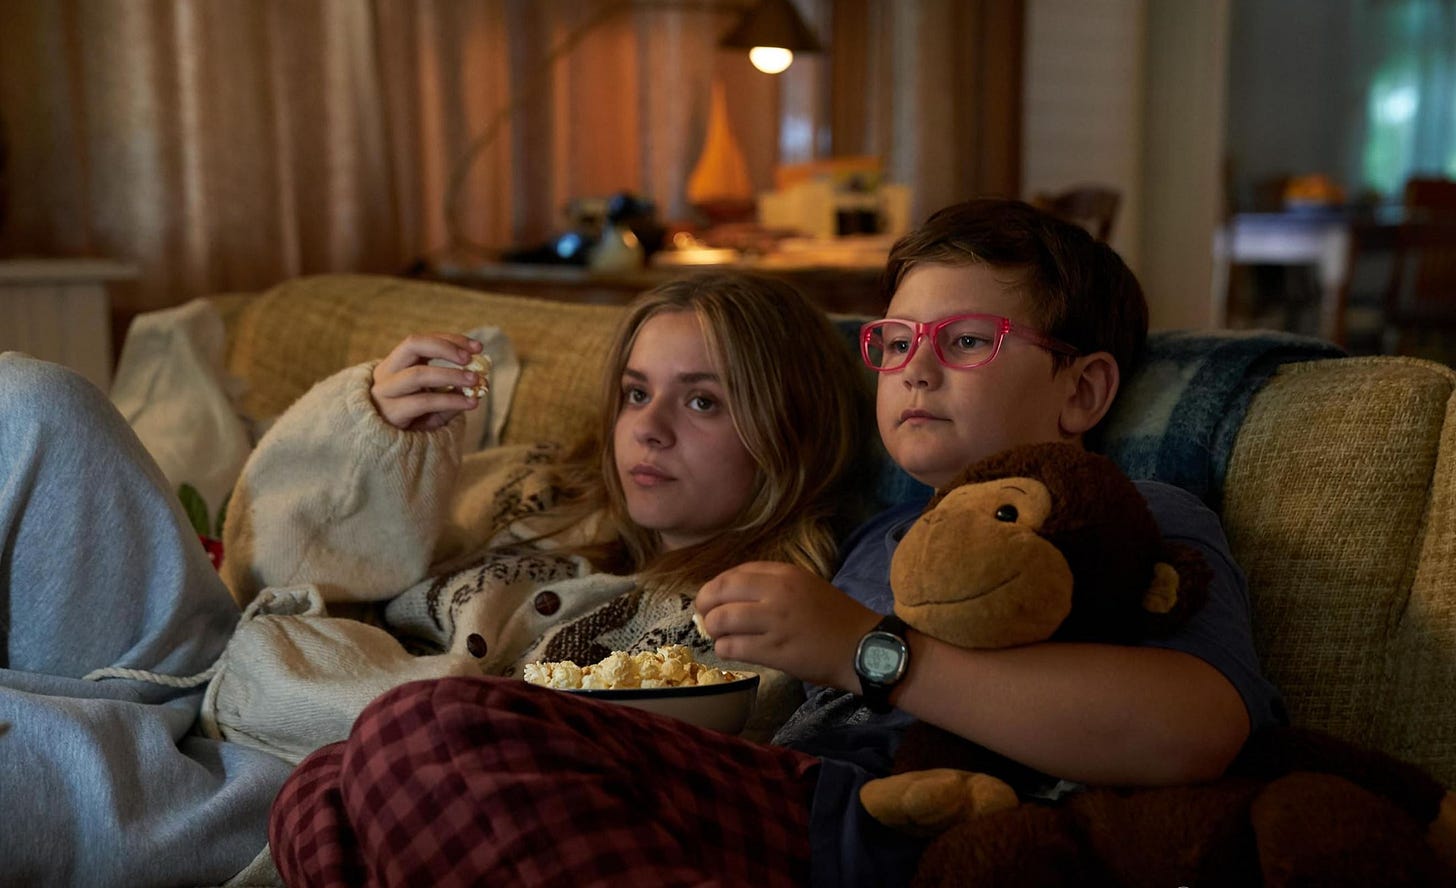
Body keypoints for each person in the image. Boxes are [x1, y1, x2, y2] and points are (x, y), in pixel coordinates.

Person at [267, 199, 1285, 888]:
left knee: (427, 732)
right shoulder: (879, 531)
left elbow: (1193, 732)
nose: (915, 373)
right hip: (780, 803)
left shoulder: (1137, 512)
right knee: (325, 784)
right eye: (895, 343)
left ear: (1084, 390)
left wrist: (867, 650)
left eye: (966, 342)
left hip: (902, 828)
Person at [0, 270, 874, 886]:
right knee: (34, 403)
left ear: (788, 432)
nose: (647, 430)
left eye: (703, 401)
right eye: (636, 393)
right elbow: (275, 565)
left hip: (279, 779)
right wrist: (372, 438)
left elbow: (578, 788)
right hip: (207, 654)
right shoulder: (529, 486)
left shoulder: (750, 617)